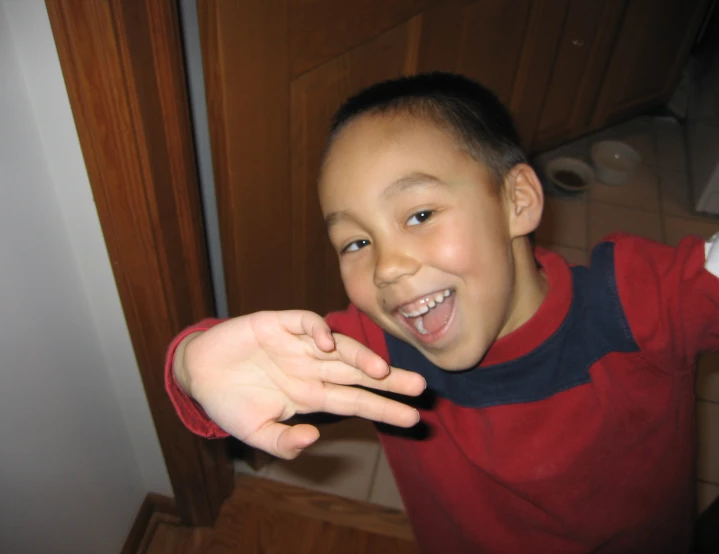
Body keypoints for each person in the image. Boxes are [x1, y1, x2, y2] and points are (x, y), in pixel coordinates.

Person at [165, 72, 719, 553]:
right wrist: (193, 363)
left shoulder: (643, 301)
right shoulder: (372, 352)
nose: (386, 267)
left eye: (419, 213)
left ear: (517, 201)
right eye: (355, 243)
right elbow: (247, 378)